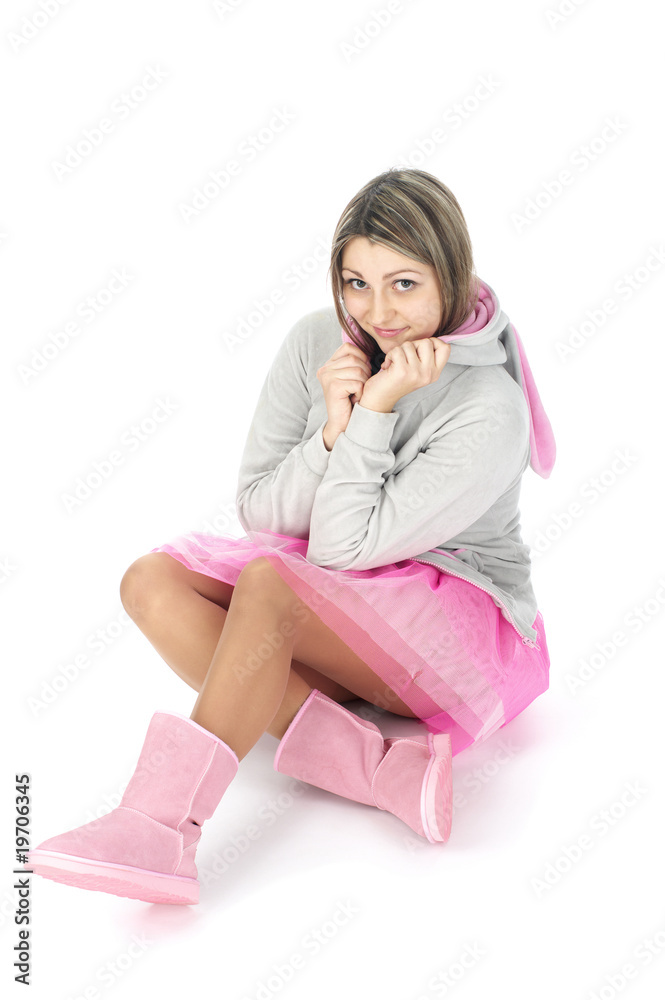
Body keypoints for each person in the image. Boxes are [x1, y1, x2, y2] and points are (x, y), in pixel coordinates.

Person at [27, 167, 556, 905]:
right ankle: (376, 769)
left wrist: (372, 412)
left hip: (458, 632)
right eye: (356, 283)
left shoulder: (488, 405)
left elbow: (340, 548)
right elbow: (262, 512)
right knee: (151, 582)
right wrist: (331, 431)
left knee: (269, 584)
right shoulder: (318, 341)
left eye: (404, 284)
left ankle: (159, 828)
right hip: (352, 598)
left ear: (452, 274)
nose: (377, 312)